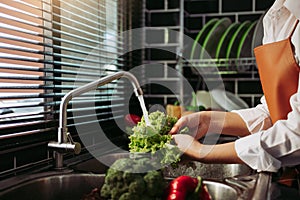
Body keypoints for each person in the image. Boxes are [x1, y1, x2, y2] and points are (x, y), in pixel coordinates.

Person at [169, 0, 300, 172]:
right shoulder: (277, 17)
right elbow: (274, 113)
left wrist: (201, 152)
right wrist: (210, 121)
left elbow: (296, 133)